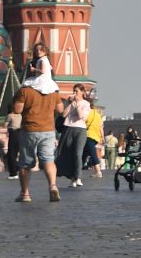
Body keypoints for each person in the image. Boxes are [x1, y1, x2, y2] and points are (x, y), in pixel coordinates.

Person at [12, 56, 62, 203]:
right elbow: (60, 109)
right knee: (48, 160)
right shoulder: (53, 90)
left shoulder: (26, 89)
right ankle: (52, 186)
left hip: (30, 129)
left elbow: (17, 109)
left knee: (26, 163)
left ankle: (25, 194)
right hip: (48, 130)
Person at [59, 84, 92, 187]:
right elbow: (64, 115)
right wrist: (70, 103)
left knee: (78, 154)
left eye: (76, 91)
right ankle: (72, 178)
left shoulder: (86, 104)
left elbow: (81, 116)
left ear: (82, 92)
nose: (75, 93)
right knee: (68, 153)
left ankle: (78, 177)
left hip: (80, 130)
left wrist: (77, 104)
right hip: (68, 128)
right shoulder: (72, 103)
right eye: (74, 91)